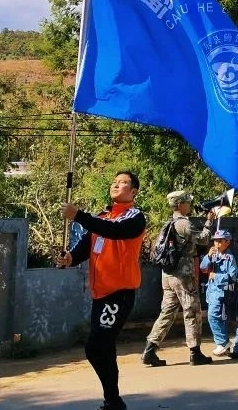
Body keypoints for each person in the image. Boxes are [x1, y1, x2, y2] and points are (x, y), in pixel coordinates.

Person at [55, 170, 146, 410]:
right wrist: (70, 258)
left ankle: (113, 401)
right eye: (114, 181)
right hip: (100, 293)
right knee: (102, 347)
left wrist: (78, 215)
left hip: (119, 293)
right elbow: (85, 247)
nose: (116, 184)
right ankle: (113, 401)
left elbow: (114, 231)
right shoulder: (102, 216)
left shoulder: (135, 217)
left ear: (133, 191)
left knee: (97, 346)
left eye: (123, 182)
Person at [142, 190, 216, 367]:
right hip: (182, 275)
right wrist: (209, 222)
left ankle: (149, 350)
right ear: (181, 204)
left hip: (167, 274)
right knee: (192, 310)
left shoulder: (168, 223)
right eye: (187, 202)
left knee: (167, 312)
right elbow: (203, 239)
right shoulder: (183, 223)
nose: (189, 205)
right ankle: (195, 353)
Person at [199, 229, 238, 356]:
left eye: (220, 241)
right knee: (219, 318)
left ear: (227, 242)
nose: (216, 243)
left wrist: (216, 276)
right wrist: (209, 256)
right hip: (212, 291)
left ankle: (222, 342)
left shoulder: (229, 258)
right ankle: (224, 344)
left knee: (213, 316)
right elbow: (203, 268)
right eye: (215, 241)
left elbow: (232, 276)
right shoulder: (213, 255)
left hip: (222, 292)